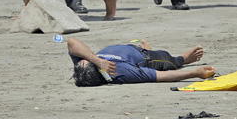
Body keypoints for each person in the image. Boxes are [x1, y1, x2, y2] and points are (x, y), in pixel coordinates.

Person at [68, 36, 215, 87]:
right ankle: (183, 58)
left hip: (128, 48)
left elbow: (71, 42)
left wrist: (97, 60)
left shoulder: (85, 62)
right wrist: (194, 73)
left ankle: (148, 48)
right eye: (86, 61)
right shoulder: (120, 73)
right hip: (146, 57)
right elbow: (159, 76)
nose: (82, 60)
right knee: (169, 61)